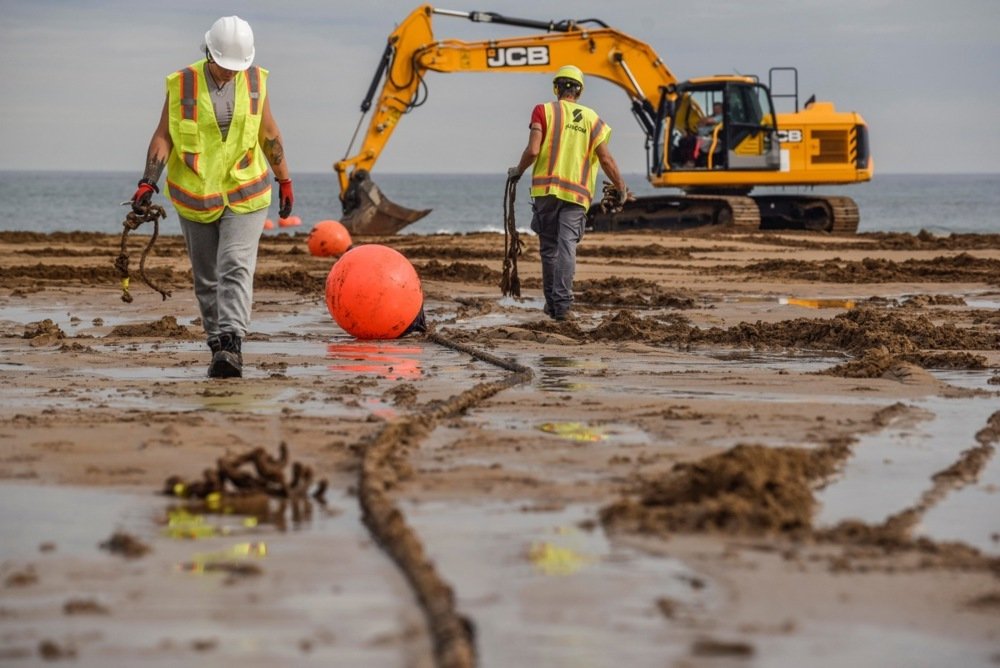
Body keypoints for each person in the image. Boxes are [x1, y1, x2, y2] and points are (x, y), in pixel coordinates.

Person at [130, 16, 293, 378]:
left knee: (235, 263)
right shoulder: (182, 84)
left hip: (246, 192)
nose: (231, 73)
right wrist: (148, 181)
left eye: (238, 67)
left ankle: (233, 342)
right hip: (195, 196)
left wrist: (284, 179)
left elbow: (268, 132)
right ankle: (216, 344)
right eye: (224, 66)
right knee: (206, 278)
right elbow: (164, 136)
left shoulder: (254, 80)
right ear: (209, 53)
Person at [507, 65, 628, 321]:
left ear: (557, 88)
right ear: (579, 91)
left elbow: (532, 151)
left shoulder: (543, 111)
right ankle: (562, 306)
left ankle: (552, 305)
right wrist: (620, 187)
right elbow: (605, 159)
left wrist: (517, 171)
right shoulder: (592, 119)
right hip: (577, 195)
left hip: (545, 192)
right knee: (566, 247)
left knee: (549, 248)